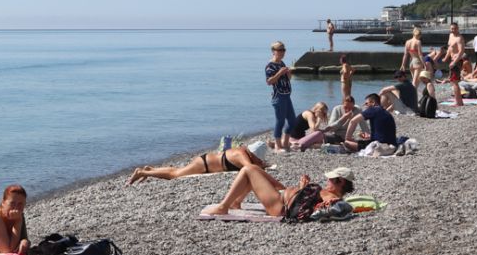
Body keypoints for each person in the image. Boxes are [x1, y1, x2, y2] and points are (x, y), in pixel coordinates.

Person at [201, 166, 354, 218]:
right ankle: (236, 202)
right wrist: (302, 187)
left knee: (248, 170)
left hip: (279, 206)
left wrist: (302, 189)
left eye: (331, 180)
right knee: (255, 170)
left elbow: (337, 206)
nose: (327, 182)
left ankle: (223, 207)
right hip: (284, 198)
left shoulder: (332, 197)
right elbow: (307, 202)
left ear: (340, 182)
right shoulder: (329, 195)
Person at [128, 145, 268, 185]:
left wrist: (262, 165)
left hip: (205, 162)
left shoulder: (242, 150)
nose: (259, 162)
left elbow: (252, 165)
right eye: (259, 159)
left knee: (177, 170)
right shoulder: (241, 155)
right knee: (174, 176)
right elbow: (250, 169)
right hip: (204, 165)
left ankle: (151, 170)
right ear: (253, 155)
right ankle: (142, 173)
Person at [265, 41, 297, 152]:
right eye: (280, 50)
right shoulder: (270, 66)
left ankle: (285, 142)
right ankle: (278, 146)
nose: (282, 52)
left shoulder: (282, 63)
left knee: (293, 121)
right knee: (280, 121)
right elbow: (269, 82)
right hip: (278, 96)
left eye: (283, 50)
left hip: (287, 96)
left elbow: (288, 79)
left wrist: (289, 74)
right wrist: (279, 73)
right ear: (273, 51)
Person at [446, 22, 466, 107]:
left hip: (457, 61)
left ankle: (458, 102)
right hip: (452, 60)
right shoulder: (450, 36)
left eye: (455, 28)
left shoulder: (459, 38)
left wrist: (454, 62)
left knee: (455, 82)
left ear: (458, 29)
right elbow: (450, 48)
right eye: (452, 29)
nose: (453, 30)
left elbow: (461, 51)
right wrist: (446, 57)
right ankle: (459, 101)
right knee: (453, 81)